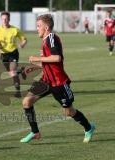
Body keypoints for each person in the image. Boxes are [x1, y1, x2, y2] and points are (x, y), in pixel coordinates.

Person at [20, 14, 95, 143]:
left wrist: (37, 58)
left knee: (69, 111)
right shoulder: (45, 41)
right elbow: (49, 62)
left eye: (39, 26)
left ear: (46, 27)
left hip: (58, 83)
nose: (37, 28)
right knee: (27, 102)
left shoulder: (51, 38)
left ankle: (88, 128)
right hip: (46, 80)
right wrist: (33, 67)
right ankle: (35, 132)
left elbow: (57, 58)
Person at [0, 11, 27, 98]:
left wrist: (22, 44)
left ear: (9, 19)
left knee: (12, 72)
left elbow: (24, 39)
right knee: (12, 73)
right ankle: (21, 71)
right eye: (3, 19)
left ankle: (17, 91)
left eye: (6, 19)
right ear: (1, 19)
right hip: (3, 54)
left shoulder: (14, 29)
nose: (5, 20)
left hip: (13, 53)